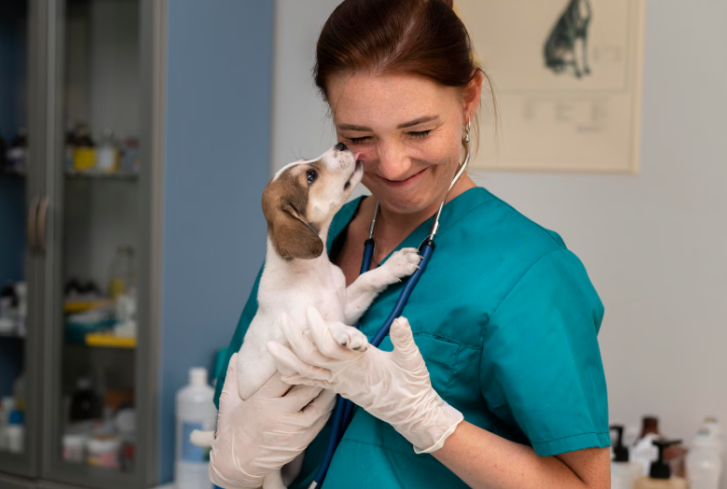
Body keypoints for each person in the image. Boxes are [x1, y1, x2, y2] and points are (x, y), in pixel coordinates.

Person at [210, 0, 611, 488]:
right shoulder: (312, 246)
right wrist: (236, 462)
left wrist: (430, 421)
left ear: (468, 100)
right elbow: (238, 399)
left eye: (419, 130)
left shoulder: (533, 273)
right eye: (359, 136)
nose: (393, 166)